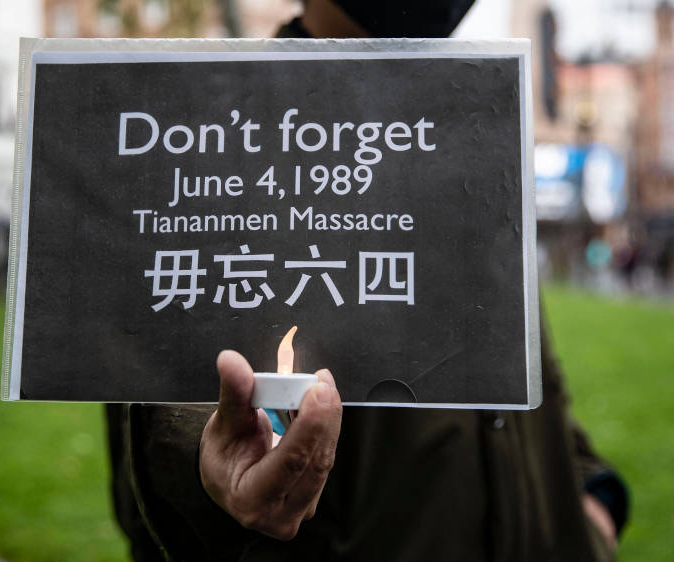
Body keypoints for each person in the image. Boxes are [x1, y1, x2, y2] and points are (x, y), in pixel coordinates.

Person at [106, 2, 629, 560]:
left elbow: (521, 378)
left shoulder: (465, 126)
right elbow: (167, 428)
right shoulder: (211, 136)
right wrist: (206, 468)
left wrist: (589, 494)